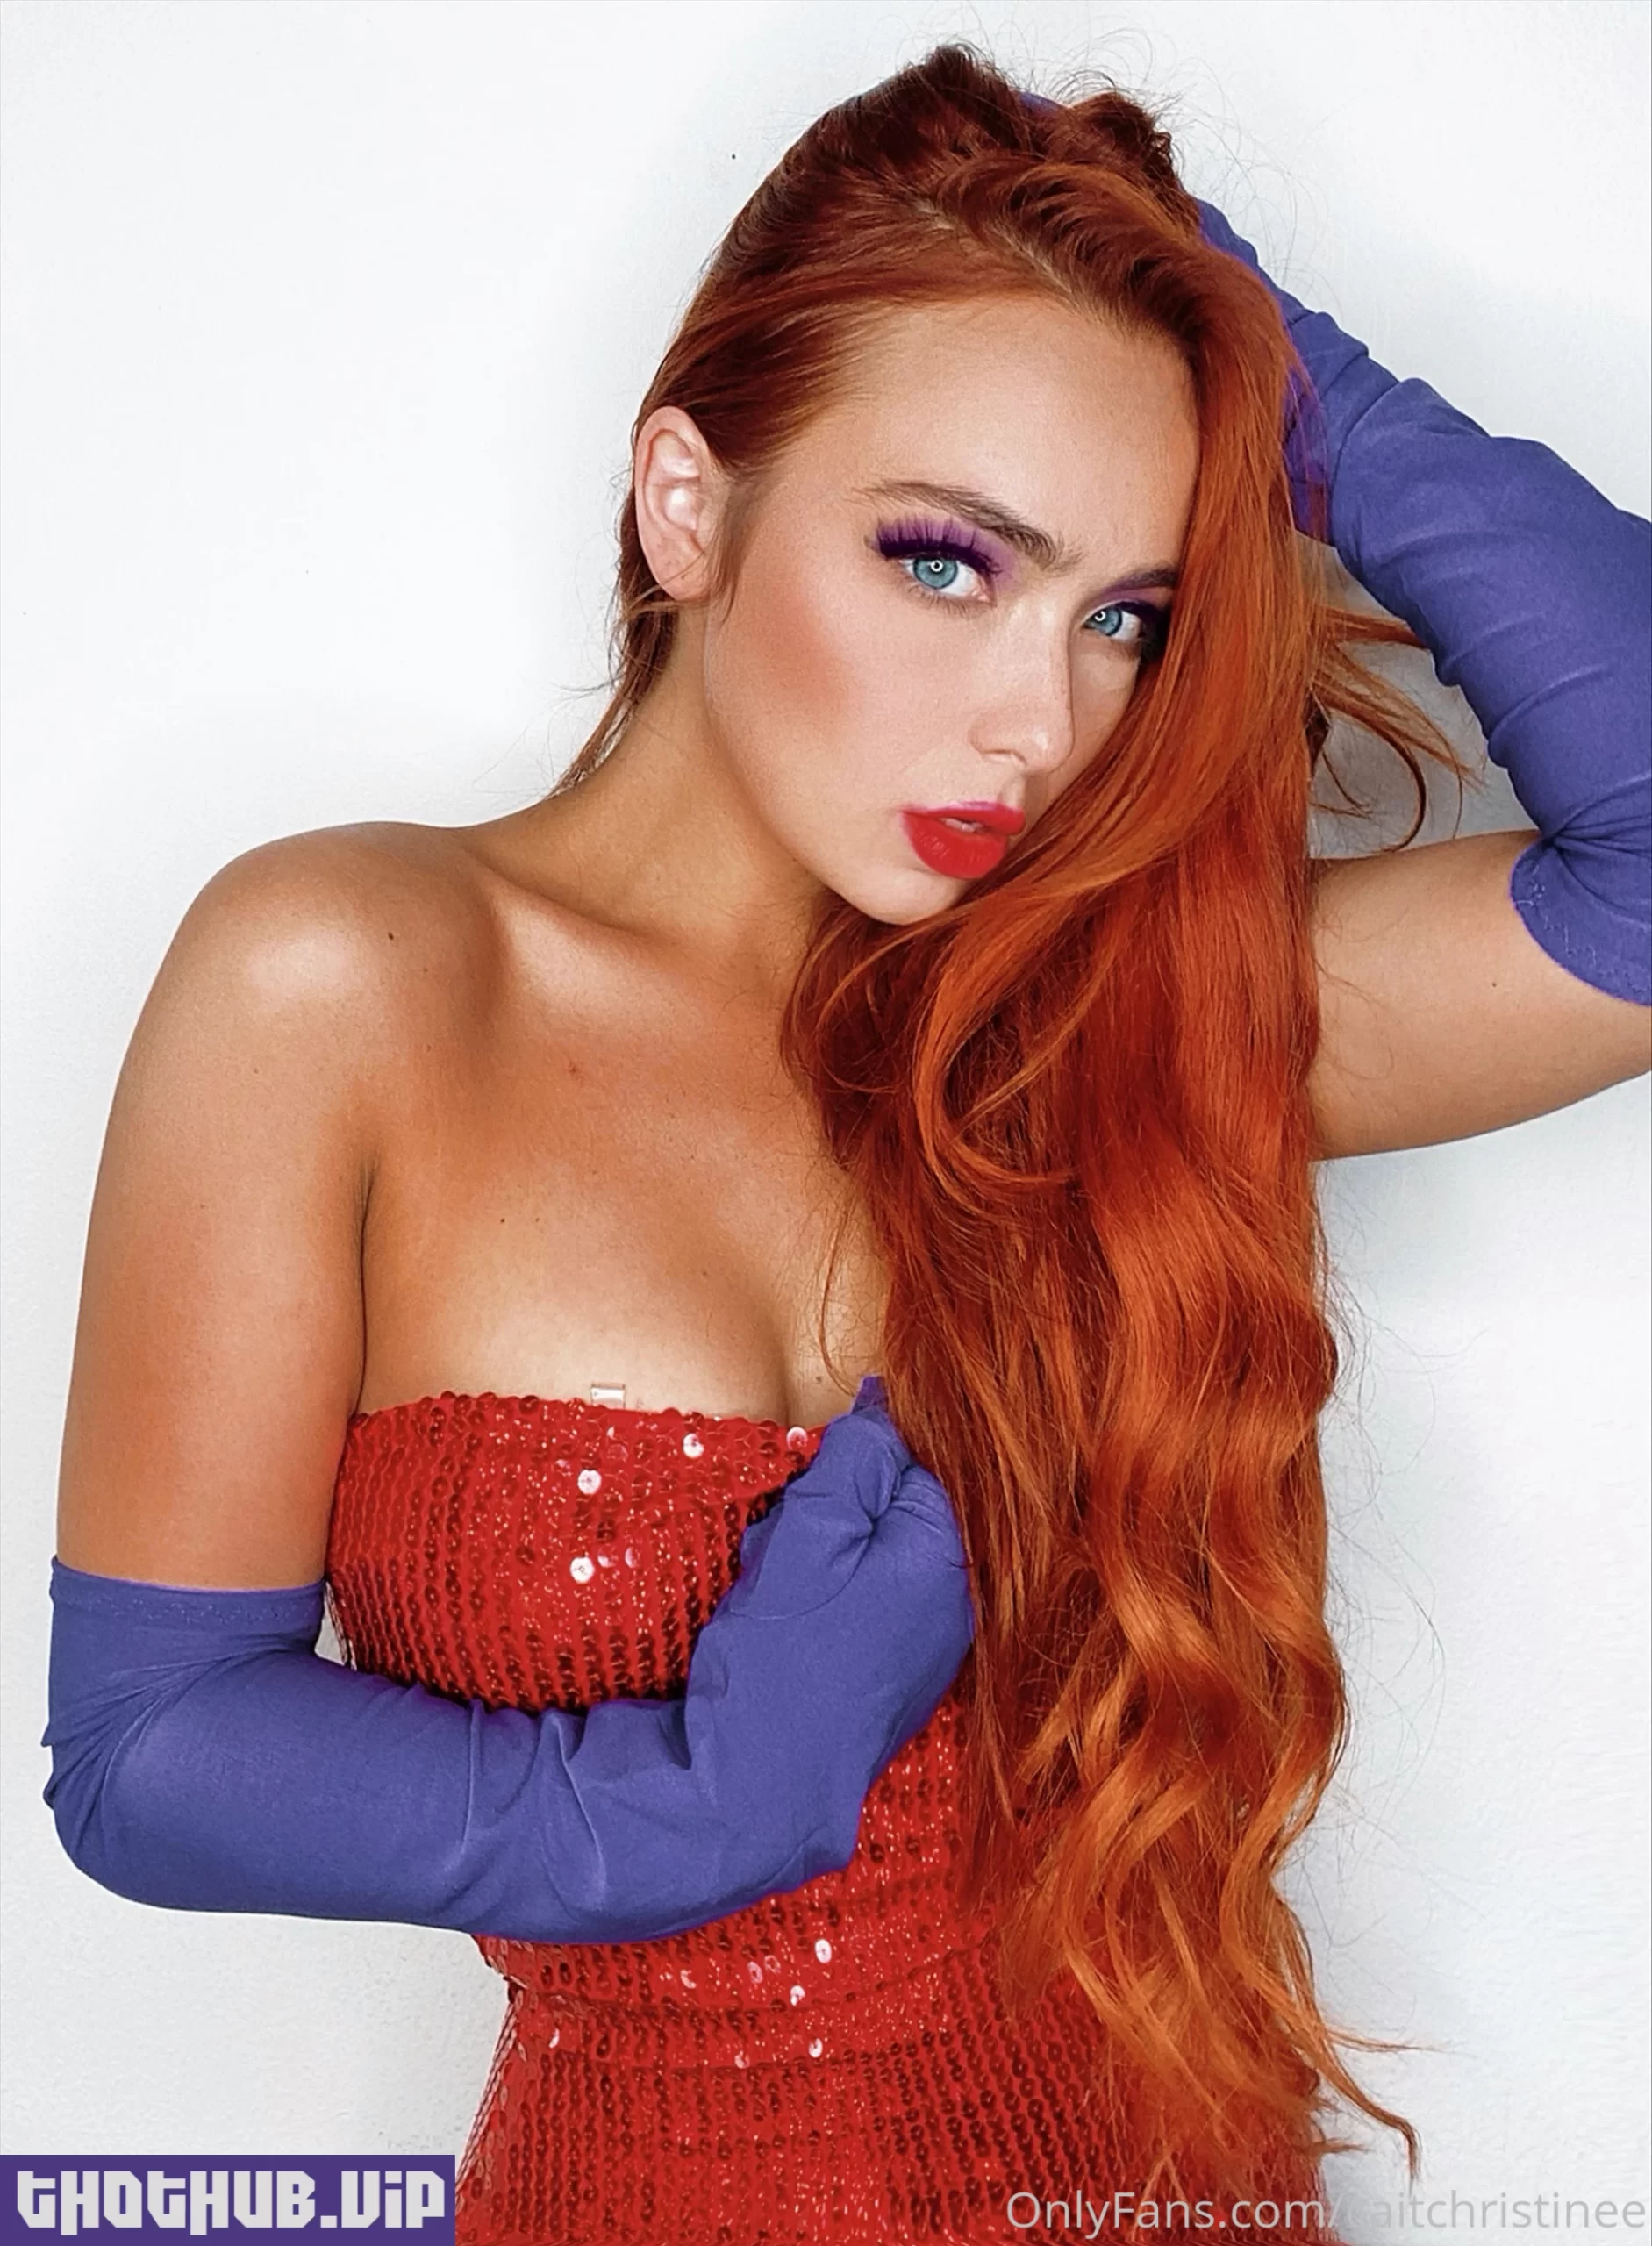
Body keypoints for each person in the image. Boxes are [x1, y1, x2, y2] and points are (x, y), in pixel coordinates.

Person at [42, 39, 1648, 2246]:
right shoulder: (346, 973)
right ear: (684, 503)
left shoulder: (1100, 1016)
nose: (1039, 718)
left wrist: (1320, 403)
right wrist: (683, 1808)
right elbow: (144, 1749)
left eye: (1121, 616)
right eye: (944, 562)